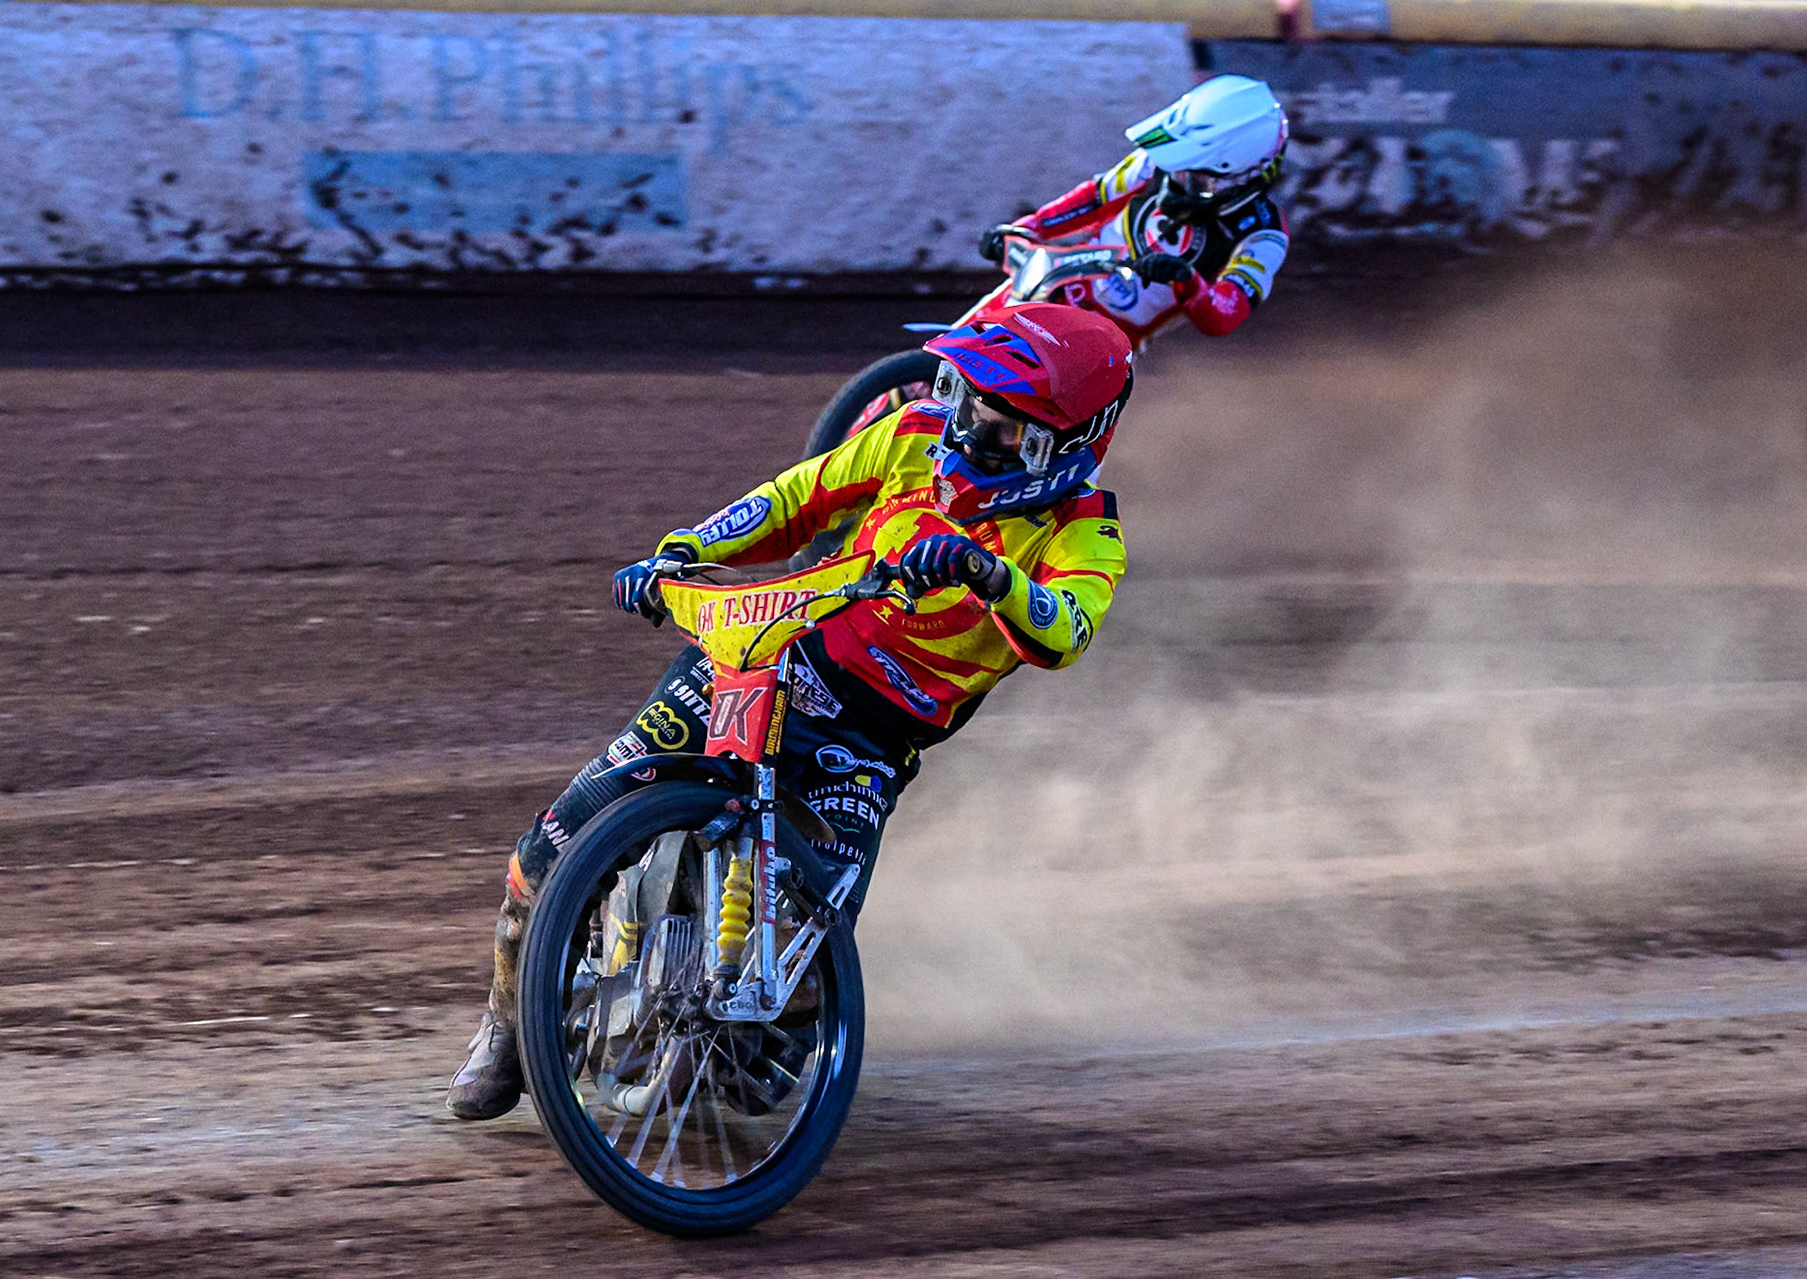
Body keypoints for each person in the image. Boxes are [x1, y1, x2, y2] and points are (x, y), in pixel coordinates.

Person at [448, 302, 1136, 1120]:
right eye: (963, 402)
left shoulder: (1086, 535)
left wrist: (991, 576)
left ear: (1068, 445)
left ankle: (742, 1039)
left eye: (1000, 428)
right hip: (768, 651)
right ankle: (505, 1026)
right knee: (548, 846)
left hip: (870, 739)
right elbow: (792, 501)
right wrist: (686, 549)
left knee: (798, 992)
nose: (966, 432)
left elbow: (1066, 630)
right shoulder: (912, 435)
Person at [979, 74, 1291, 348]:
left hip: (1099, 343)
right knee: (957, 345)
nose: (1179, 182)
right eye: (1178, 170)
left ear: (1247, 177)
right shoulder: (1161, 159)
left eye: (1198, 179)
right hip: (1051, 281)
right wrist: (1029, 228)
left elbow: (1223, 316)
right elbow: (1095, 198)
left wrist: (1188, 280)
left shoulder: (1264, 235)